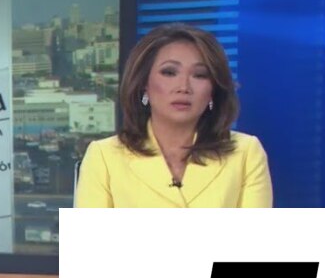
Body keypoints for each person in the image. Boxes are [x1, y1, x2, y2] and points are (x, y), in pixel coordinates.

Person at [74, 22, 273, 208]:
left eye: (200, 75)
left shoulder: (246, 153)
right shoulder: (104, 157)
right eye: (169, 73)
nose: (183, 87)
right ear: (144, 83)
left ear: (214, 89)